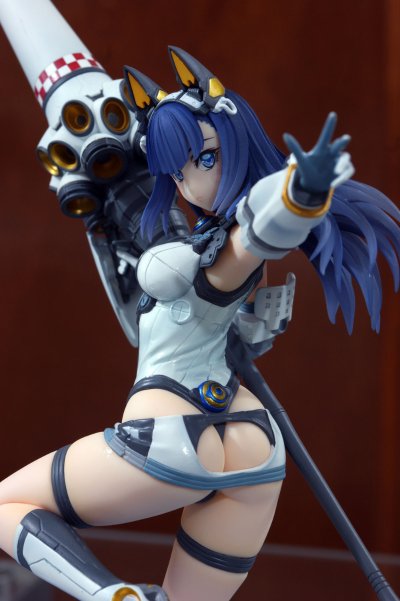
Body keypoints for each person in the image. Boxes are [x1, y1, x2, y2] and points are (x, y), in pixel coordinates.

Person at [0, 47, 398, 601]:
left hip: (173, 434)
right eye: (177, 171)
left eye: (204, 159)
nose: (189, 184)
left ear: (236, 143)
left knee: (6, 504)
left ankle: (110, 595)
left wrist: (296, 196)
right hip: (254, 444)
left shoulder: (214, 252)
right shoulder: (202, 242)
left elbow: (259, 231)